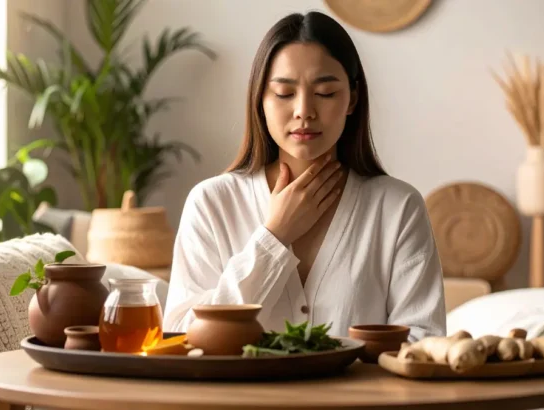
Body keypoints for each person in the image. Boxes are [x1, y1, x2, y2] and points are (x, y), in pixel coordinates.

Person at [163, 11, 446, 342]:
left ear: (352, 99)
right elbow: (181, 335)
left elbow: (425, 342)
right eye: (284, 93)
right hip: (241, 396)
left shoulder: (397, 207)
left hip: (362, 396)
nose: (304, 111)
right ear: (260, 100)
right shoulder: (212, 203)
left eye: (325, 93)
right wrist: (274, 237)